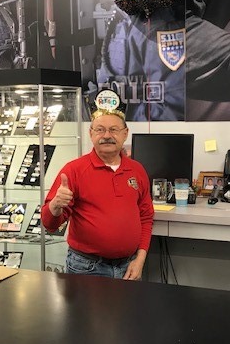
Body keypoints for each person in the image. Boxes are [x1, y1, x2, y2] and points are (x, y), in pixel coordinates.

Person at [41, 91, 154, 279]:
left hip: (129, 265)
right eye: (100, 129)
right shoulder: (73, 170)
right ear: (91, 133)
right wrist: (55, 206)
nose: (107, 135)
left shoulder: (137, 170)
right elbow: (49, 225)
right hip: (87, 267)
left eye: (114, 130)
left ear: (125, 134)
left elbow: (146, 217)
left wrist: (140, 260)